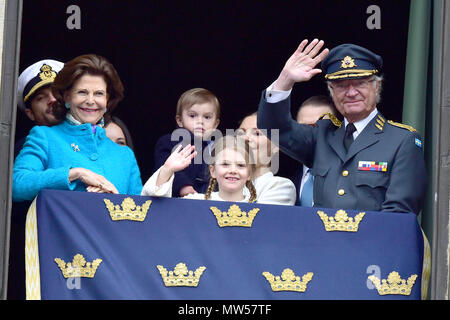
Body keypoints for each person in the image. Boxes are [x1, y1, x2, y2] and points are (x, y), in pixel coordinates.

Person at [257, 39, 427, 214]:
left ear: (377, 87)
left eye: (360, 83)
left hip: (372, 240)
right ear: (331, 90)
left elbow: (399, 213)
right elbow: (274, 128)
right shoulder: (321, 136)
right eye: (341, 86)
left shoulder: (402, 141)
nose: (351, 92)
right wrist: (285, 80)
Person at [12, 54, 143, 202]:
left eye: (99, 94)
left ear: (107, 101)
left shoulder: (125, 155)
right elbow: (17, 185)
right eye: (82, 92)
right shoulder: (44, 136)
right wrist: (76, 174)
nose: (90, 101)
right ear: (67, 97)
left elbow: (138, 212)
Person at [142, 135, 257, 203]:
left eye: (241, 165)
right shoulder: (195, 201)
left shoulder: (262, 208)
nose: (233, 170)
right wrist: (167, 169)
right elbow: (153, 201)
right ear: (213, 171)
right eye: (225, 164)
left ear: (249, 173)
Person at [152, 88, 220, 197]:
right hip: (176, 204)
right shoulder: (170, 142)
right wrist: (183, 186)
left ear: (215, 124)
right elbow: (163, 168)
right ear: (179, 120)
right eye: (192, 116)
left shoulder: (219, 149)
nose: (200, 121)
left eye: (207, 117)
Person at [236, 112, 296, 205]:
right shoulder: (219, 183)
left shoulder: (280, 186)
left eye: (257, 133)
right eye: (241, 133)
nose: (246, 138)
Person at [293, 95, 337, 206]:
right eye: (304, 127)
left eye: (318, 127)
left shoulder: (348, 171)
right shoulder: (284, 172)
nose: (311, 133)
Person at [15, 59, 65, 156]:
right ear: (30, 114)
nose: (52, 100)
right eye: (41, 98)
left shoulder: (93, 134)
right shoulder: (24, 148)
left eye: (57, 92)